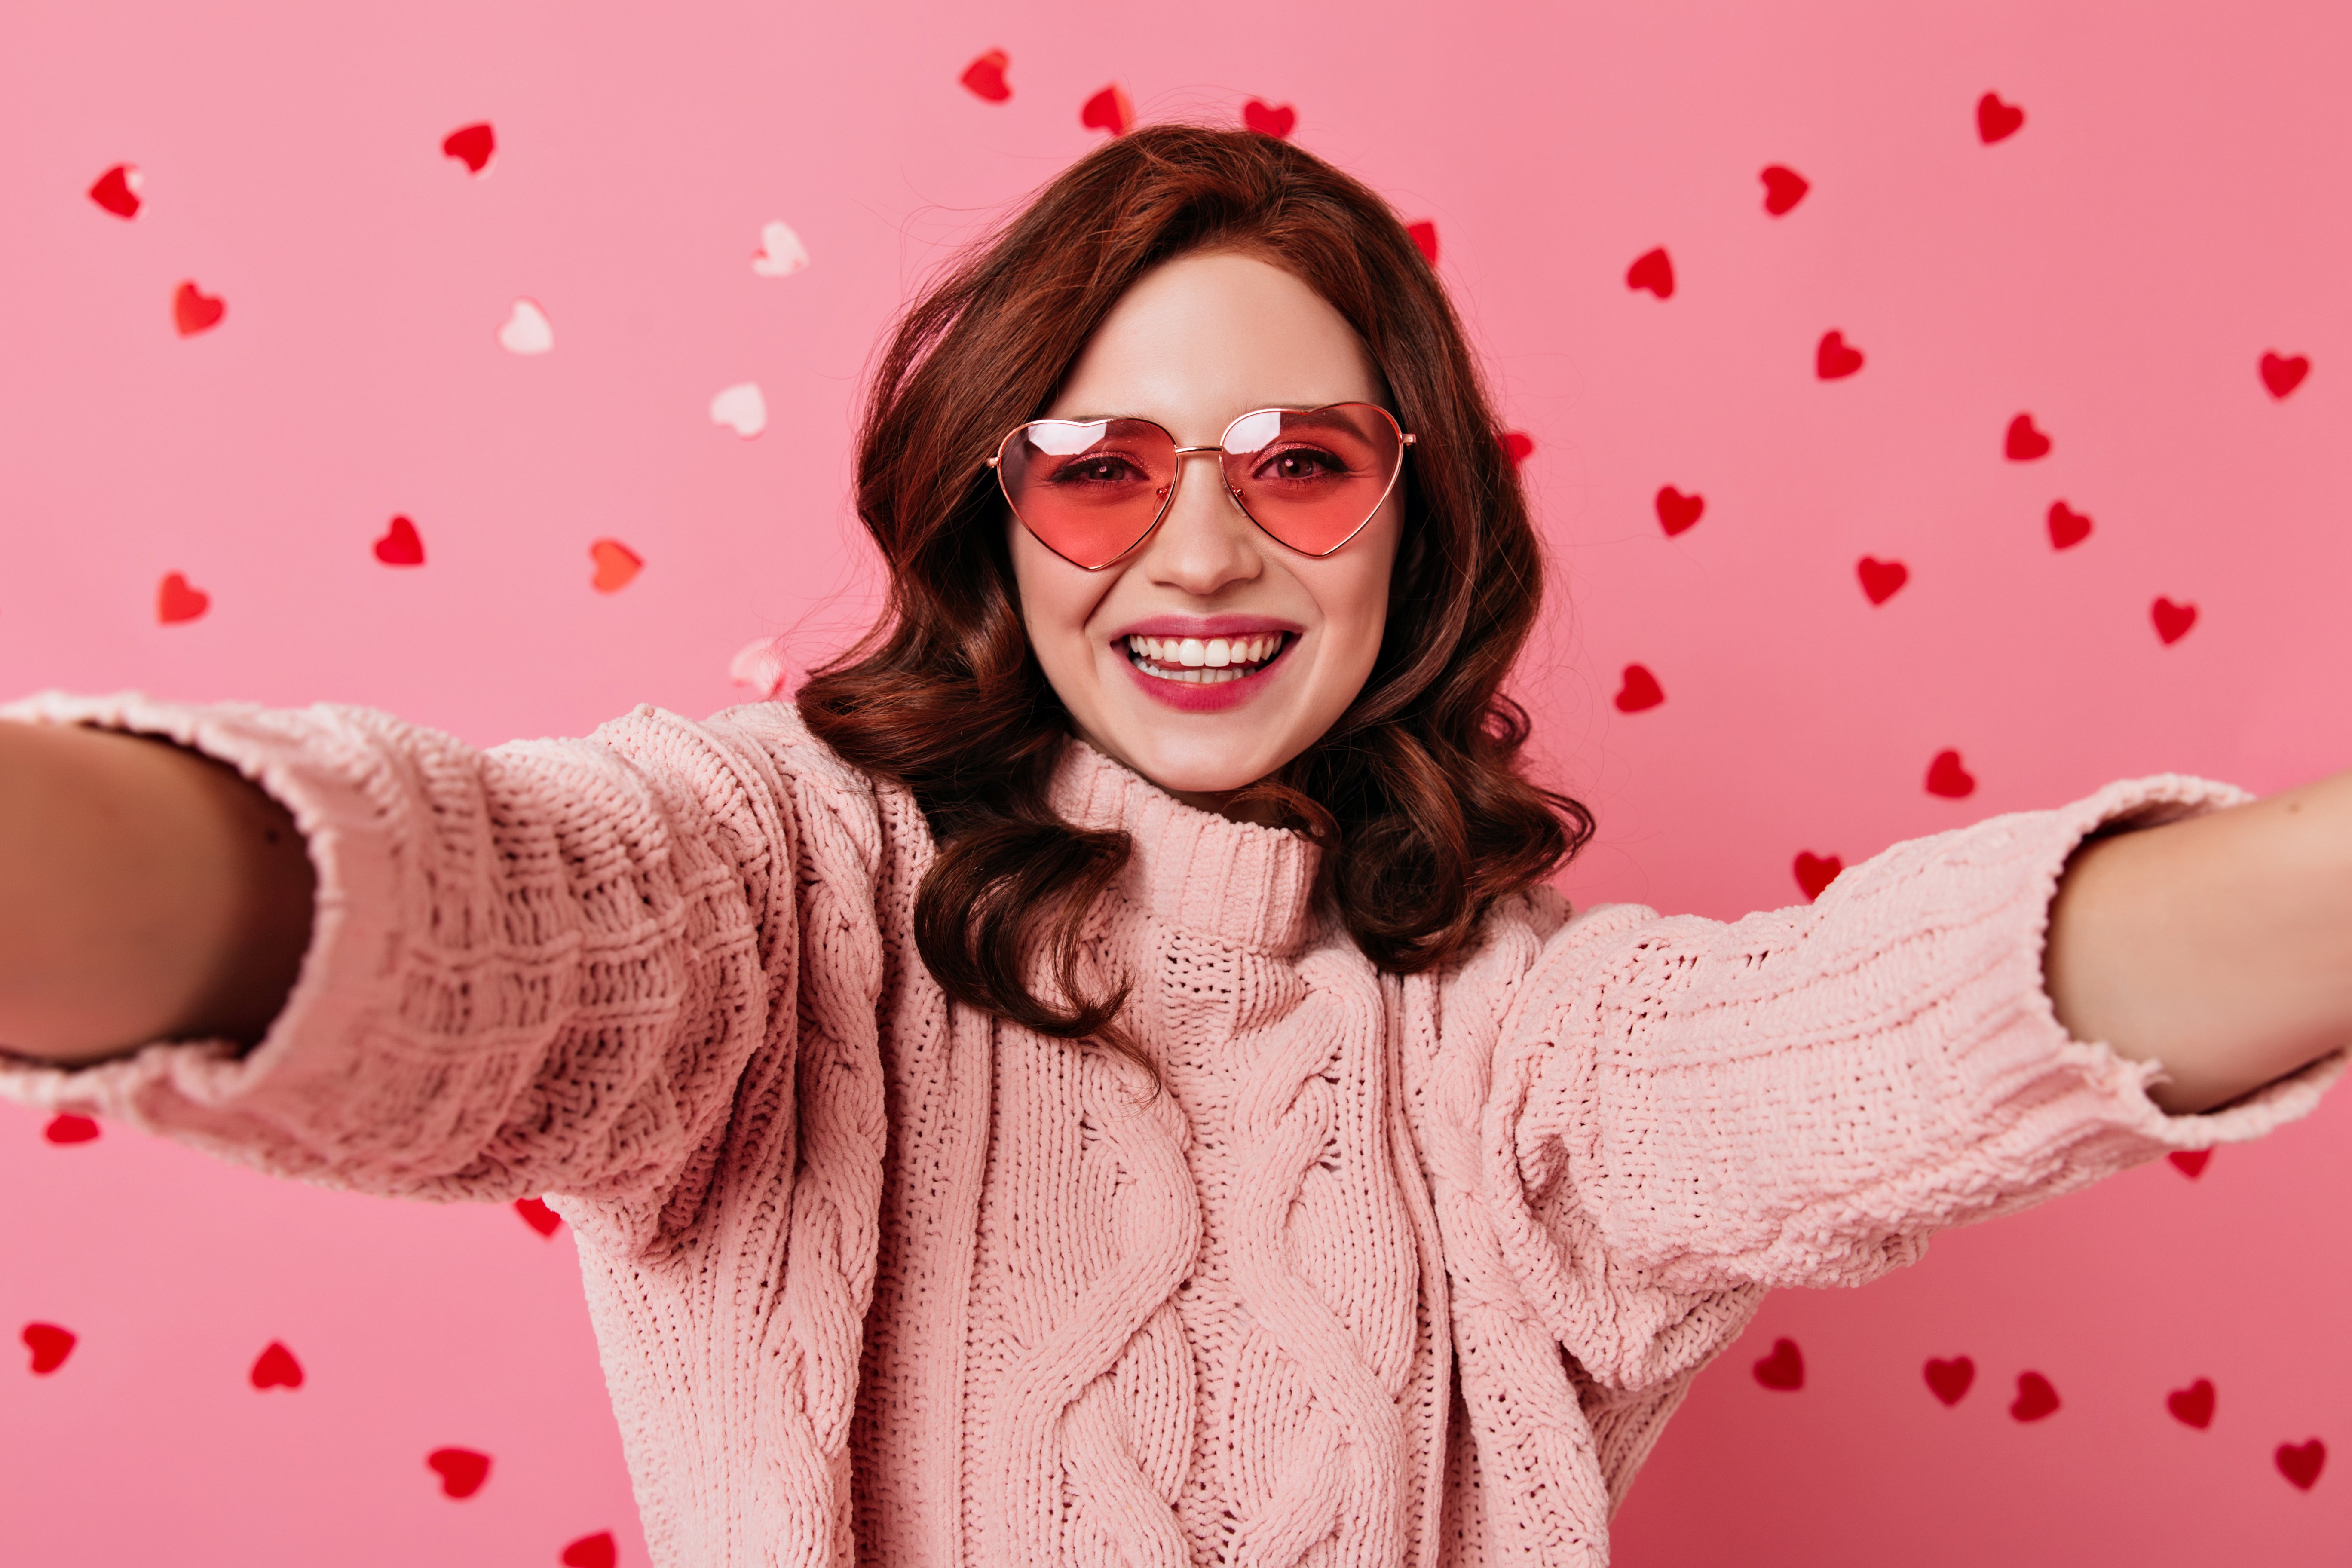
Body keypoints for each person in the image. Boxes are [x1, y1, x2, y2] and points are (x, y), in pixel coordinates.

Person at [0, 125, 2344, 1568]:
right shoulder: (771, 896)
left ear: (1411, 529)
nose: (1200, 554)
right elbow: (449, 911)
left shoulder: (1531, 1048)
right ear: (994, 516)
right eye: (1103, 466)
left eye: (1298, 464)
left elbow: (1936, 1022)